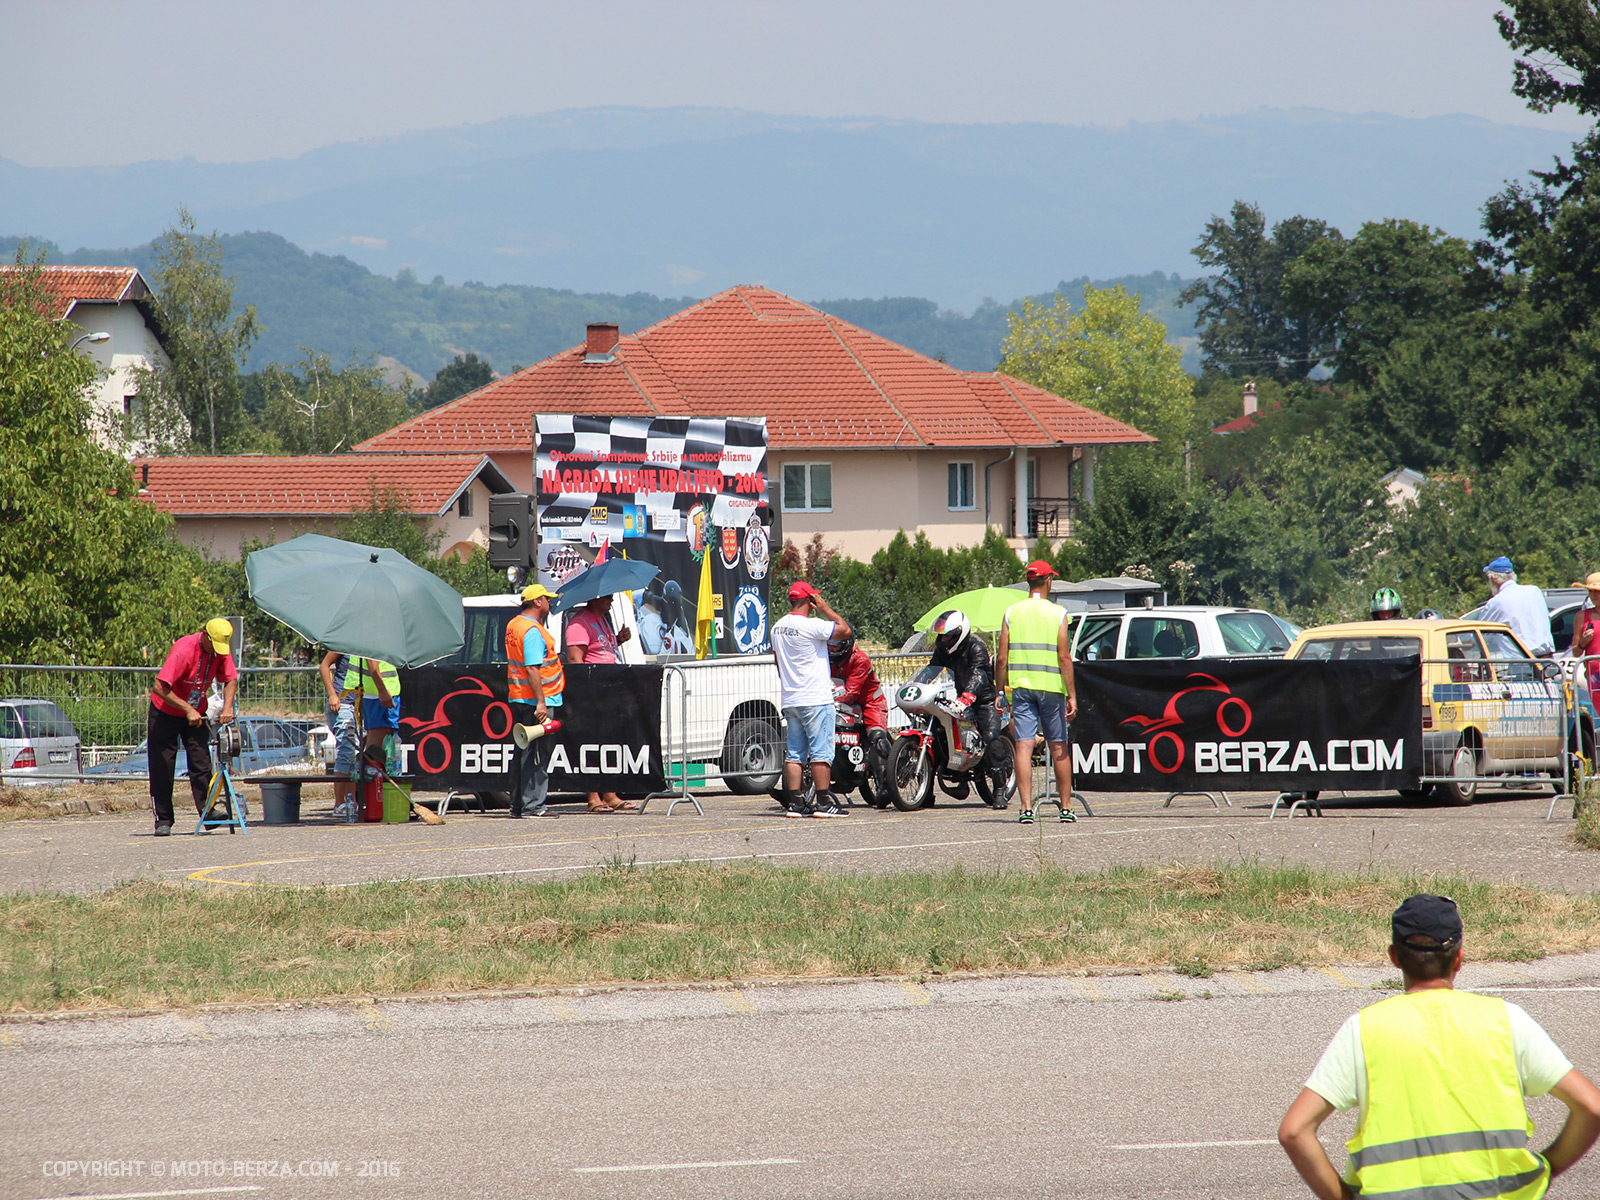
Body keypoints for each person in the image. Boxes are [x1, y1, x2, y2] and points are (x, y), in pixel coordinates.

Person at [1279, 894, 1600, 1200]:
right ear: (1459, 958)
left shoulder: (1363, 1031)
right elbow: (1592, 1107)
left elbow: (1295, 1131)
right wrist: (1546, 1170)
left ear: (1394, 957)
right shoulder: (1506, 1021)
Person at [997, 560, 1079, 823]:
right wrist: (1072, 695)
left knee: (1024, 746)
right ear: (1048, 581)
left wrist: (999, 691)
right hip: (1052, 689)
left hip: (1022, 689)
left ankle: (1025, 809)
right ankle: (1065, 807)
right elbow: (1064, 657)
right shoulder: (1058, 613)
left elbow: (1001, 659)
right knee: (1058, 746)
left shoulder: (1011, 612)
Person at [147, 618, 238, 837]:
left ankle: (207, 812)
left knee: (201, 762)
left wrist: (227, 707)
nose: (217, 652)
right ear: (205, 635)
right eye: (213, 646)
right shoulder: (183, 650)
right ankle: (164, 819)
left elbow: (231, 679)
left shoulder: (220, 650)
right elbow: (159, 687)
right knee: (163, 767)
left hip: (197, 712)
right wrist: (187, 709)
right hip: (166, 711)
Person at [773, 581, 851, 818]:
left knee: (795, 753)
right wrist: (826, 608)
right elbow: (845, 630)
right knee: (821, 753)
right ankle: (824, 803)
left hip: (791, 697)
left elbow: (777, 661)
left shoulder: (777, 627)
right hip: (815, 698)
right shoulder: (813, 625)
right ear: (810, 601)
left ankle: (796, 804)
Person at [563, 594, 636, 812]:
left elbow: (603, 650)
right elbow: (576, 660)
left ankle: (610, 794)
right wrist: (586, 692)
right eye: (607, 598)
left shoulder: (602, 620)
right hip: (591, 694)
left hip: (609, 692)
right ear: (594, 599)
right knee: (591, 744)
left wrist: (619, 639)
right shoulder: (579, 623)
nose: (611, 601)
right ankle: (593, 797)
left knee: (608, 743)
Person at [913, 609, 1005, 771]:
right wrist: (915, 687)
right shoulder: (943, 650)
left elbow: (980, 675)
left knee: (991, 737)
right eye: (942, 635)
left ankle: (999, 785)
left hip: (984, 702)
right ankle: (956, 774)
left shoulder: (976, 648)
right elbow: (931, 670)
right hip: (962, 703)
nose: (943, 639)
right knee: (952, 738)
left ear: (959, 634)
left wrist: (966, 698)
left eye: (947, 635)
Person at [505, 583, 563, 818]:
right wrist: (541, 703)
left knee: (522, 753)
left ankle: (518, 806)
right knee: (536, 755)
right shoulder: (532, 630)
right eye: (547, 599)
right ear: (537, 601)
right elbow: (532, 667)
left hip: (519, 697)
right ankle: (534, 806)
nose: (550, 602)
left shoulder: (514, 625)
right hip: (536, 701)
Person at [829, 628, 890, 796]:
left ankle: (885, 785)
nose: (832, 649)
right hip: (842, 703)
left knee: (877, 738)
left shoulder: (860, 659)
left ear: (846, 644)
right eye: (829, 644)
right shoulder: (826, 657)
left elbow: (851, 692)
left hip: (871, 703)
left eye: (836, 645)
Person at [1482, 556, 1555, 656]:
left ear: (1494, 579)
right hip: (1547, 659)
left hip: (1521, 662)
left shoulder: (1497, 602)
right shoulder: (1534, 591)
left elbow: (1480, 631)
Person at [318, 650, 362, 817]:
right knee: (346, 751)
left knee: (355, 755)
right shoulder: (342, 644)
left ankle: (352, 801)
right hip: (342, 704)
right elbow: (324, 666)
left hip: (357, 705)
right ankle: (339, 803)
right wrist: (332, 695)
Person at [1569, 572, 1600, 709]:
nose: (1595, 595)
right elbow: (1575, 652)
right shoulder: (1582, 616)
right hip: (1594, 673)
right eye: (1591, 591)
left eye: (1598, 591)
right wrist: (1583, 642)